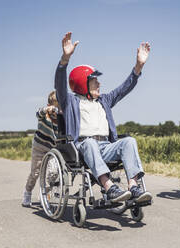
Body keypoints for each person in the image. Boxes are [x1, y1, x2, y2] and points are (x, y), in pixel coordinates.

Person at [54, 32, 152, 203]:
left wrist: (138, 67)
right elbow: (59, 83)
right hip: (82, 148)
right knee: (90, 143)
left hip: (106, 146)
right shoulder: (69, 101)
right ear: (82, 83)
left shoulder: (104, 100)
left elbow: (124, 89)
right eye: (94, 81)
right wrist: (65, 59)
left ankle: (134, 188)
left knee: (129, 141)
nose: (99, 84)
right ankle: (109, 188)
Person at [22, 91, 60, 207]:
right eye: (55, 103)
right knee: (35, 173)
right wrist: (47, 110)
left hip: (53, 149)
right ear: (50, 103)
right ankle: (27, 192)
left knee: (53, 172)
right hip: (39, 146)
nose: (57, 106)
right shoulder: (44, 113)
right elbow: (38, 113)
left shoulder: (62, 117)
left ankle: (45, 194)